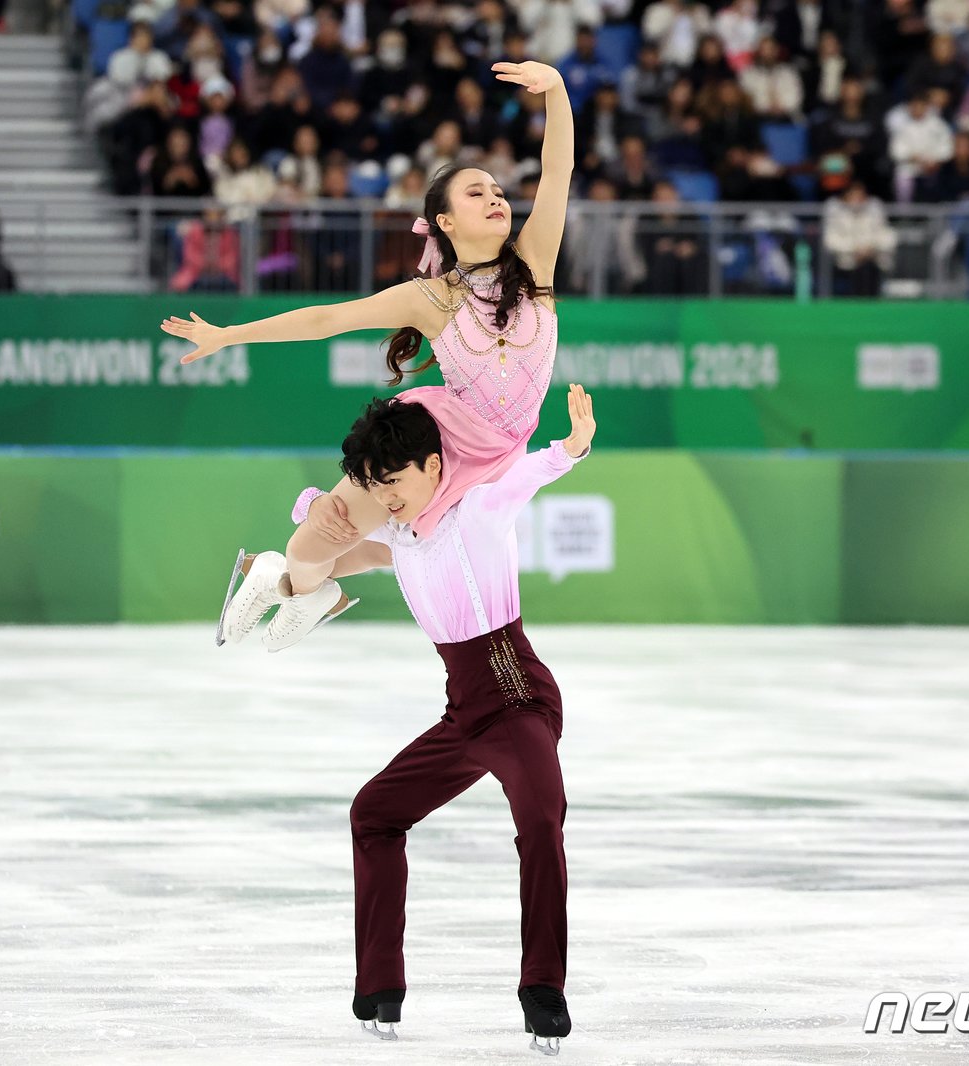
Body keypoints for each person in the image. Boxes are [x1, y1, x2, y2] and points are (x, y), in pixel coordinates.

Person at [161, 59, 573, 651]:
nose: (497, 199)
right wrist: (230, 334)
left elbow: (557, 171)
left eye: (500, 191)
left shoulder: (534, 266)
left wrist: (555, 90)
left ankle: (281, 581)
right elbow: (328, 319)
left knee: (405, 550)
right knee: (316, 541)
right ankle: (294, 575)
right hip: (436, 441)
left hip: (501, 454)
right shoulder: (431, 298)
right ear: (445, 221)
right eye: (476, 192)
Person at [267, 384, 596, 1053]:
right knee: (375, 813)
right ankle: (379, 986)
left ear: (434, 467)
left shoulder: (478, 510)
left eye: (396, 480)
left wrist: (570, 448)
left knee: (540, 821)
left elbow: (523, 478)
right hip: (467, 713)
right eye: (374, 484)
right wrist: (301, 556)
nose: (386, 496)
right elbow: (337, 548)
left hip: (517, 695)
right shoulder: (398, 536)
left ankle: (544, 989)